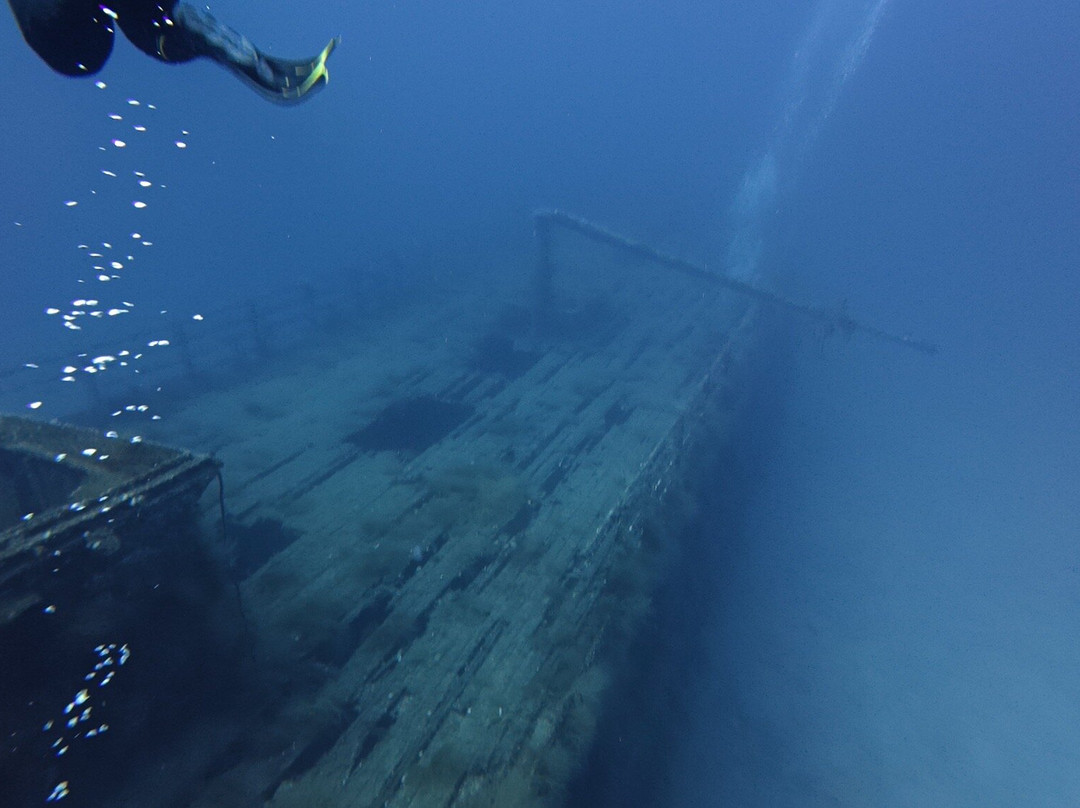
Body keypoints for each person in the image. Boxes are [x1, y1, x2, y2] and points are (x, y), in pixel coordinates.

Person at [6, 0, 338, 103]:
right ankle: (193, 36)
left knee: (145, 19)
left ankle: (193, 37)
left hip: (73, 32)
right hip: (62, 38)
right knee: (139, 20)